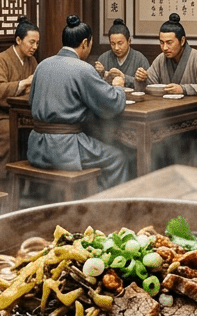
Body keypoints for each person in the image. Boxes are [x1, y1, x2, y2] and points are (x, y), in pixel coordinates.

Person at [27, 14, 129, 189]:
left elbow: (31, 101)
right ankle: (112, 209)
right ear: (85, 43)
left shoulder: (42, 65)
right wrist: (119, 87)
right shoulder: (82, 69)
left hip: (37, 147)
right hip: (65, 148)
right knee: (117, 158)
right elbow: (112, 104)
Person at [137, 12, 197, 167]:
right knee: (152, 145)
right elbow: (151, 84)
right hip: (167, 123)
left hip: (193, 124)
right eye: (161, 43)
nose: (164, 48)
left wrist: (183, 88)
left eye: (169, 42)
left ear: (182, 41)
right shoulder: (161, 59)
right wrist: (141, 79)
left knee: (184, 145)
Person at [0, 16, 39, 184]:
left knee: (38, 132)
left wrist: (27, 86)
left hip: (22, 113)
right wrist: (23, 83)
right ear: (18, 40)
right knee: (10, 135)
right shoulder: (1, 60)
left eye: (37, 43)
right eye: (31, 42)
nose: (35, 47)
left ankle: (29, 184)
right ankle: (5, 185)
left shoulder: (32, 60)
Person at [94, 19, 149, 89]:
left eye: (120, 43)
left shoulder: (140, 59)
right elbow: (95, 86)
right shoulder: (103, 59)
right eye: (113, 44)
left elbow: (147, 85)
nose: (116, 48)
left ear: (129, 41)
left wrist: (124, 78)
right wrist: (103, 74)